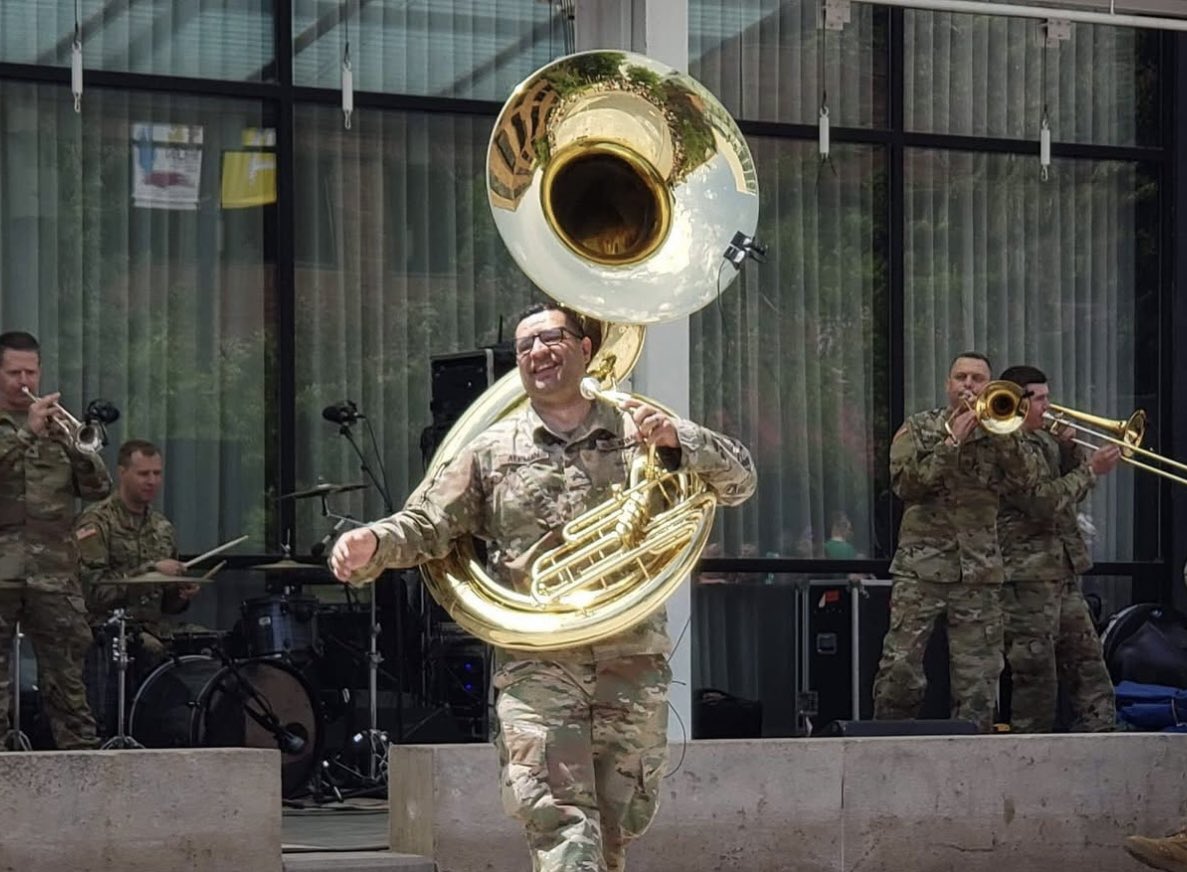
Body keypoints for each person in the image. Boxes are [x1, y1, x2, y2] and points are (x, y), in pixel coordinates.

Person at [331, 302, 756, 872]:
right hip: (537, 664)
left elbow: (739, 482)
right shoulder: (488, 450)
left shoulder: (643, 431)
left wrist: (682, 438)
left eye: (551, 338)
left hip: (631, 662)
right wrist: (373, 544)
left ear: (587, 350)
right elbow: (428, 526)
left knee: (614, 827)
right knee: (558, 819)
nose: (537, 352)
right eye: (524, 346)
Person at [872, 351, 1040, 733]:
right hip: (922, 568)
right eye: (961, 377)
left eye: (977, 378)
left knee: (978, 675)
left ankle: (973, 754)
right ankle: (885, 743)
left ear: (991, 385)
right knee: (900, 666)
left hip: (978, 573)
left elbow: (1029, 484)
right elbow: (905, 485)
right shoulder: (918, 428)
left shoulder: (1005, 433)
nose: (968, 385)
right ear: (948, 384)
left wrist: (1006, 438)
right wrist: (951, 443)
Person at [0, 330, 111, 749]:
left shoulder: (57, 425)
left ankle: (80, 765)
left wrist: (79, 448)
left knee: (66, 677)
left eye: (30, 371)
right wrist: (26, 433)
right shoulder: (24, 426)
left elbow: (100, 489)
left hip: (54, 574)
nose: (24, 381)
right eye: (14, 372)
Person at [995, 365, 1120, 733]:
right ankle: (1032, 746)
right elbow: (1042, 501)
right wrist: (1091, 469)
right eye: (1041, 399)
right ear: (1018, 401)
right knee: (1036, 670)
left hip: (1061, 569)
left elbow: (1071, 496)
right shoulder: (1008, 443)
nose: (1049, 407)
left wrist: (1071, 454)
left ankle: (1103, 732)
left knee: (1087, 658)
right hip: (1027, 573)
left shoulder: (1044, 440)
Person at [76, 439, 201, 667]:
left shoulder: (162, 528)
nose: (152, 481)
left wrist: (180, 595)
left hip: (156, 629)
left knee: (209, 646)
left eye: (157, 473)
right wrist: (149, 570)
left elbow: (166, 605)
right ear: (122, 473)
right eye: (144, 474)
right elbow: (93, 593)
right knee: (154, 653)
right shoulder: (97, 522)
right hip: (109, 633)